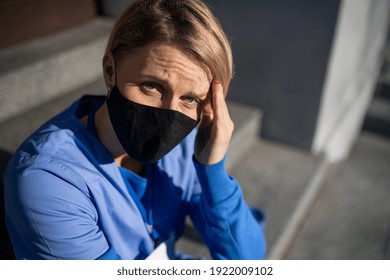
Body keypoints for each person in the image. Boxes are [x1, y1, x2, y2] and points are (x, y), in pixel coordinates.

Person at [3, 0, 266, 260]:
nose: (168, 116)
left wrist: (213, 170)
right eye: (151, 86)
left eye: (190, 99)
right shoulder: (47, 180)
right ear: (110, 70)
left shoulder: (185, 149)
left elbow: (248, 259)